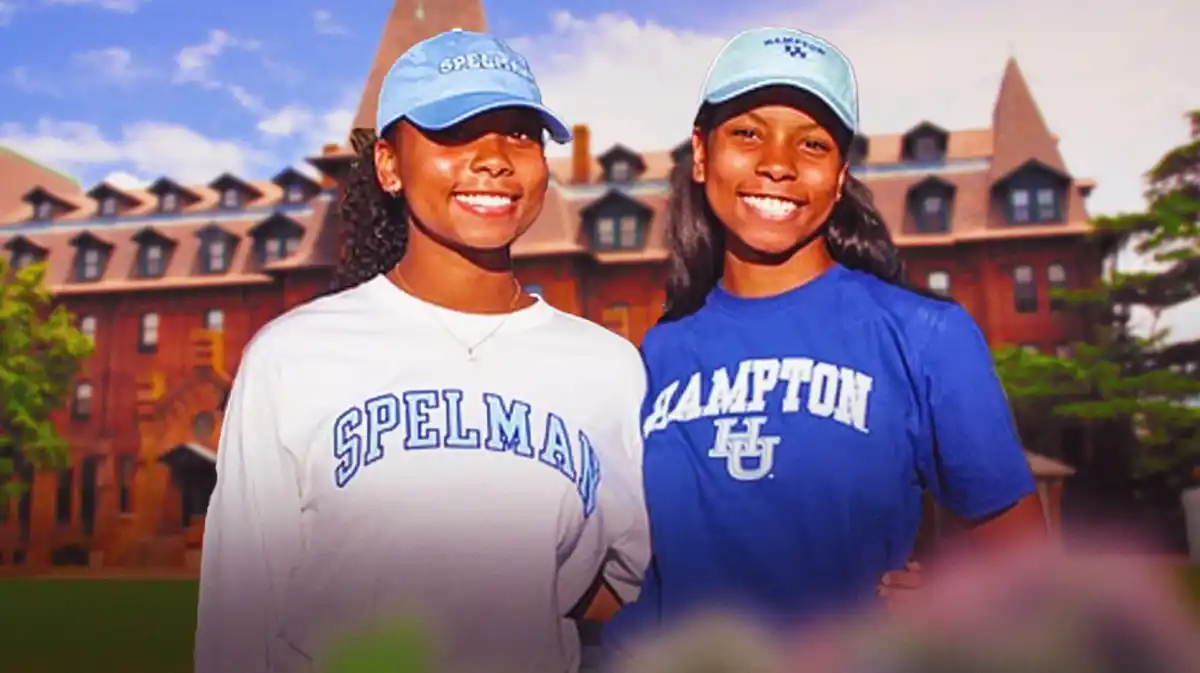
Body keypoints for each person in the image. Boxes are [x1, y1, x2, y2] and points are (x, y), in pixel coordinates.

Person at [194, 29, 650, 673]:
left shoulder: (608, 369)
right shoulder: (294, 356)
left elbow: (633, 589)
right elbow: (236, 620)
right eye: (455, 130)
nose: (494, 157)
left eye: (520, 133)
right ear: (388, 164)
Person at [603, 25, 1047, 655]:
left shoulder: (924, 336)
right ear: (701, 154)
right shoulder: (659, 353)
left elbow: (1027, 571)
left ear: (839, 176)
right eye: (748, 133)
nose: (777, 164)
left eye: (812, 143)